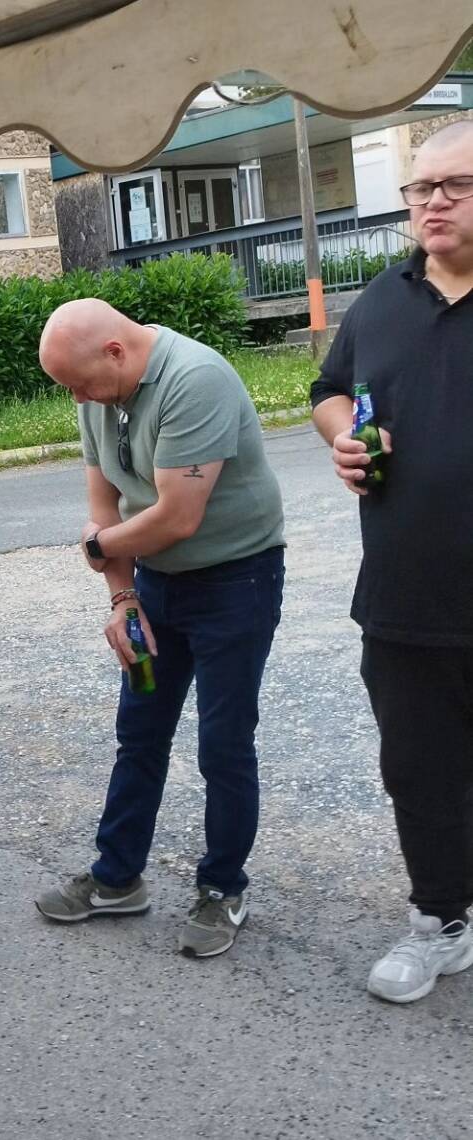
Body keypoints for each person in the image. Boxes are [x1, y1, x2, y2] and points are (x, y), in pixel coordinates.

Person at [34, 298, 285, 958]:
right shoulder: (97, 392)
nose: (76, 398)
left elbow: (176, 517)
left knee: (223, 743)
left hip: (235, 582)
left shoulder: (194, 379)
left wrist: (97, 547)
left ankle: (222, 888)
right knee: (139, 732)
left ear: (115, 352)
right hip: (154, 585)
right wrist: (122, 599)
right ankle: (117, 878)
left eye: (79, 383)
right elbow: (103, 506)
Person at [310, 119, 473, 1003]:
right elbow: (328, 390)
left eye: (455, 185)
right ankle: (439, 922)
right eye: (419, 187)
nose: (431, 201)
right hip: (405, 596)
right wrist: (342, 437)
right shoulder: (380, 299)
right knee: (418, 770)